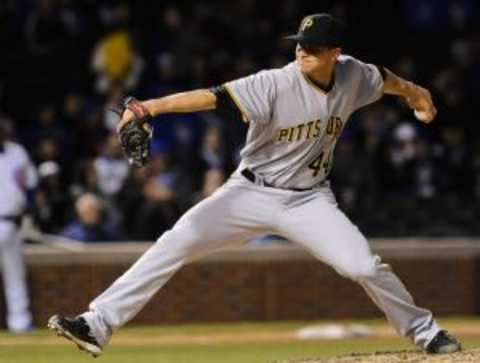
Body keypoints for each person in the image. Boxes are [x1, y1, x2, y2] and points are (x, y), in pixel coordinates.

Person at [48, 13, 460, 356]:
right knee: (176, 242)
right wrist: (148, 106)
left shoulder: (353, 75)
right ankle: (96, 324)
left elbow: (388, 80)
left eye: (313, 48)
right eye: (299, 44)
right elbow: (211, 96)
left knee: (364, 266)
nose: (302, 51)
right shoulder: (275, 83)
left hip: (308, 200)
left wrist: (417, 94)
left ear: (335, 53)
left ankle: (426, 333)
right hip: (248, 192)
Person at [0, 117, 38, 332]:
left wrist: (27, 210)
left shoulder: (16, 151)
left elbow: (30, 184)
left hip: (12, 222)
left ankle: (20, 323)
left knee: (15, 276)